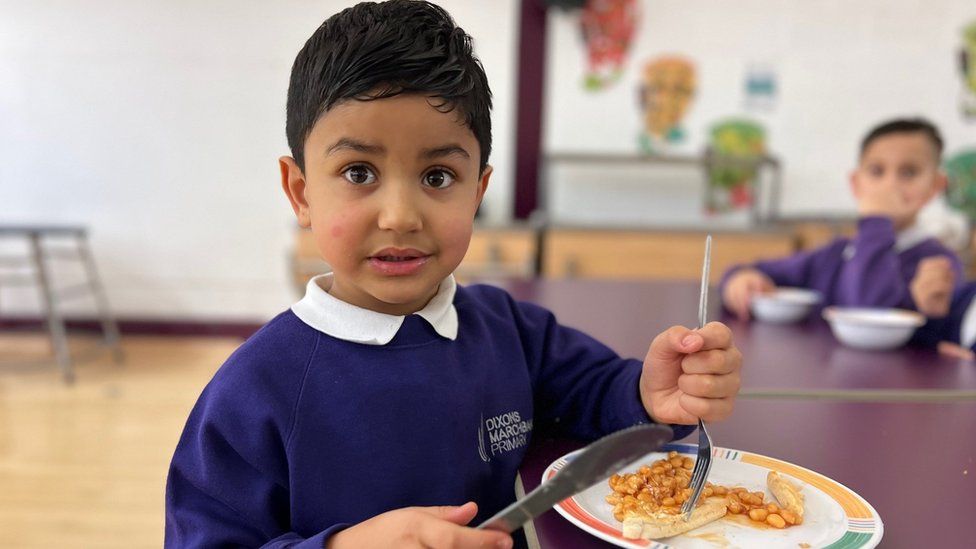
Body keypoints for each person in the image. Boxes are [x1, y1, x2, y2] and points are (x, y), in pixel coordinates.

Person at [164, 2, 743, 548]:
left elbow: (594, 394)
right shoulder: (254, 390)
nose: (400, 215)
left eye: (438, 176)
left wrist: (651, 394)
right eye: (359, 171)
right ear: (301, 191)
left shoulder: (509, 330)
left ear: (477, 193)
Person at [722, 118, 962, 320]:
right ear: (856, 184)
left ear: (935, 186)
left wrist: (877, 221)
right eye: (877, 171)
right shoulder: (835, 254)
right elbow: (755, 270)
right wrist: (741, 278)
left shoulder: (939, 265)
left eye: (908, 172)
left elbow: (866, 311)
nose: (890, 186)